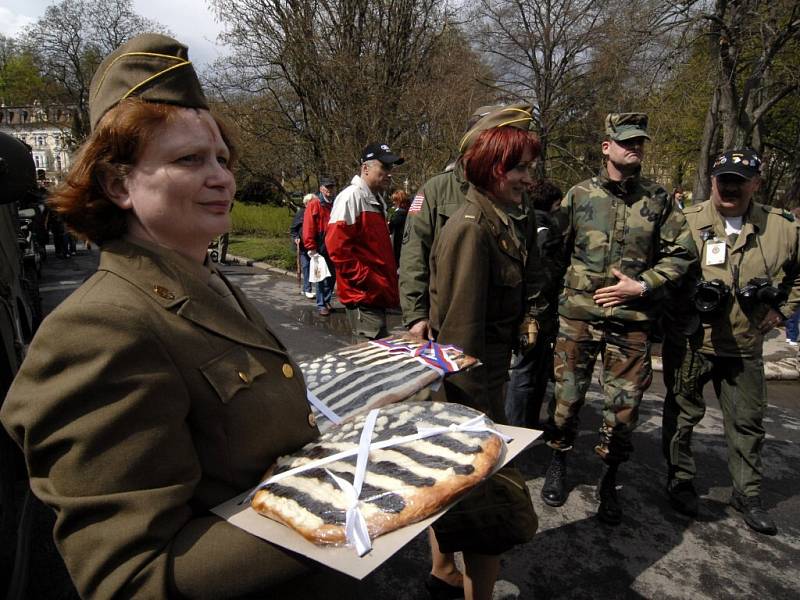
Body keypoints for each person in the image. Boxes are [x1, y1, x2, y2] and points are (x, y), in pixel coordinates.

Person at [0, 34, 321, 599]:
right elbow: (132, 578)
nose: (222, 176)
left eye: (223, 158)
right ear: (118, 183)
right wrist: (338, 502)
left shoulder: (206, 282)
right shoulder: (99, 328)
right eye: (189, 159)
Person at [541, 112, 697, 524]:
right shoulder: (578, 197)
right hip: (578, 318)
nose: (635, 147)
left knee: (624, 410)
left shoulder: (659, 200)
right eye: (626, 141)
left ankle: (609, 479)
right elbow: (552, 256)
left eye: (640, 142)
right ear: (606, 146)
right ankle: (559, 461)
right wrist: (541, 310)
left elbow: (682, 254)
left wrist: (642, 285)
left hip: (631, 320)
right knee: (566, 399)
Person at [428, 123, 541, 600]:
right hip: (473, 397)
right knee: (488, 518)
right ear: (495, 170)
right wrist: (475, 425)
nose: (530, 177)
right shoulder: (474, 230)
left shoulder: (496, 219)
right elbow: (460, 342)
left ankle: (443, 574)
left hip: (482, 387)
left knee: (459, 500)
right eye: (521, 167)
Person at [661, 148, 800, 535]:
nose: (730, 189)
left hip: (745, 343)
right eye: (724, 181)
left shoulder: (782, 228)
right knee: (682, 418)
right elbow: (660, 273)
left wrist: (783, 311)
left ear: (756, 184)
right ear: (712, 181)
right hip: (693, 341)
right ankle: (680, 482)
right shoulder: (684, 222)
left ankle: (748, 494)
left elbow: (798, 277)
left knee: (748, 423)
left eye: (739, 182)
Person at [325, 143, 402, 339]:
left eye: (391, 168)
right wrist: (367, 280)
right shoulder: (351, 197)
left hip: (375, 296)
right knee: (370, 363)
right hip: (364, 298)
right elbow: (337, 249)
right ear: (365, 168)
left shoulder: (375, 199)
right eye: (384, 167)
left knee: (377, 360)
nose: (390, 173)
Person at [504, 179, 564, 428]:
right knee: (526, 372)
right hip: (537, 311)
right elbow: (542, 271)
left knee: (531, 372)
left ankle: (523, 424)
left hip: (532, 309)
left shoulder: (526, 222)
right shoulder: (543, 228)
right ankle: (517, 426)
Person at [303, 176, 337, 315]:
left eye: (331, 187)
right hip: (320, 244)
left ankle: (327, 300)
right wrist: (311, 246)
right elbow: (308, 226)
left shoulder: (334, 203)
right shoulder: (314, 204)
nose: (329, 189)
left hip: (332, 243)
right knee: (321, 276)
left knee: (332, 276)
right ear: (321, 188)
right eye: (327, 187)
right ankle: (321, 303)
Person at [291, 193, 315, 299]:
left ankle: (318, 290)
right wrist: (296, 237)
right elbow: (293, 228)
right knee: (306, 267)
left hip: (315, 245)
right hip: (303, 246)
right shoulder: (301, 213)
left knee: (316, 267)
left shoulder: (317, 212)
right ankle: (307, 289)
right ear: (306, 204)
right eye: (311, 203)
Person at [388, 189, 410, 266]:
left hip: (398, 239)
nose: (393, 202)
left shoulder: (400, 213)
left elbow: (390, 226)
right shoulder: (403, 211)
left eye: (395, 200)